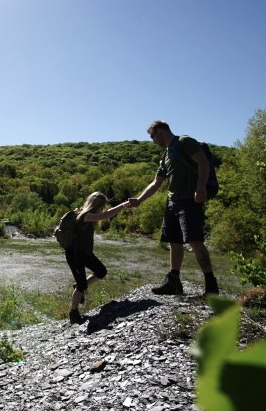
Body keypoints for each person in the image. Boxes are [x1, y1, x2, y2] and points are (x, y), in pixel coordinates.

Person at [128, 120, 219, 296]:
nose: (152, 141)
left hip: (189, 201)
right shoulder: (165, 155)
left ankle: (211, 285)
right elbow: (156, 183)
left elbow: (203, 162)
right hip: (172, 203)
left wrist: (200, 187)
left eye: (152, 136)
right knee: (174, 242)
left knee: (195, 241)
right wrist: (139, 200)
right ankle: (173, 281)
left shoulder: (184, 142)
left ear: (160, 131)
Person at [66, 192, 130, 324]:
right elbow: (105, 215)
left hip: (84, 253)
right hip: (75, 254)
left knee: (101, 271)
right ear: (97, 205)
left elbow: (103, 215)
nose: (103, 209)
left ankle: (78, 287)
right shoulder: (85, 215)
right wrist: (123, 205)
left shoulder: (88, 215)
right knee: (81, 284)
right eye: (102, 206)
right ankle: (74, 313)